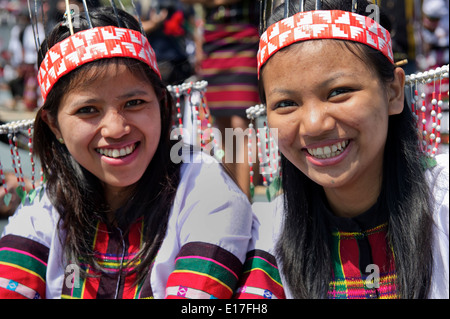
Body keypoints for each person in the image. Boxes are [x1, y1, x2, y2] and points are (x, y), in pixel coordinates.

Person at [0, 6, 252, 299]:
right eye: (88, 110)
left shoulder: (205, 189)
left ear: (161, 103)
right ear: (53, 124)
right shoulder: (46, 205)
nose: (116, 129)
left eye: (134, 103)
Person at [235, 0, 448, 299]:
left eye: (338, 92)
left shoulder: (445, 207)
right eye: (286, 104)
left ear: (394, 92)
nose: (313, 125)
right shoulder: (266, 234)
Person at [181, 0, 261, 199]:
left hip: (246, 40)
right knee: (222, 126)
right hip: (212, 44)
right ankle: (232, 198)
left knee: (242, 125)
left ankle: (245, 199)